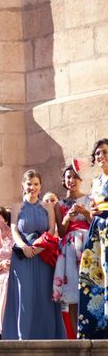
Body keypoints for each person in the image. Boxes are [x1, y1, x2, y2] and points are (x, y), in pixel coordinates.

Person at [2, 169, 65, 340]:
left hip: (43, 256)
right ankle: (23, 337)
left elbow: (52, 230)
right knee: (25, 295)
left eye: (36, 184)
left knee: (44, 295)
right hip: (22, 257)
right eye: (29, 184)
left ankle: (47, 335)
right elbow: (14, 229)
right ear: (23, 185)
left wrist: (39, 248)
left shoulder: (48, 207)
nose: (32, 187)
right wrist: (23, 246)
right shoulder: (16, 207)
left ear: (40, 186)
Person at [53, 165, 92, 338]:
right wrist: (67, 218)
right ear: (64, 180)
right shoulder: (59, 204)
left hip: (87, 245)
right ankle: (76, 334)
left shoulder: (89, 199)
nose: (72, 180)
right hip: (68, 248)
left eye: (75, 177)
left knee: (88, 287)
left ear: (81, 179)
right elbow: (61, 232)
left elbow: (94, 222)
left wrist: (85, 212)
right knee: (72, 291)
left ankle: (91, 331)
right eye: (68, 177)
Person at [79, 138, 108, 339]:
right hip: (98, 231)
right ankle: (98, 326)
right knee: (94, 275)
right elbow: (93, 211)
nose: (101, 156)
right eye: (98, 153)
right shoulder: (96, 182)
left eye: (105, 152)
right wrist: (91, 211)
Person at [0, 205, 13, 335]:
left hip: (18, 276)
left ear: (5, 220)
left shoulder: (15, 236)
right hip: (2, 278)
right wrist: (1, 265)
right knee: (4, 310)